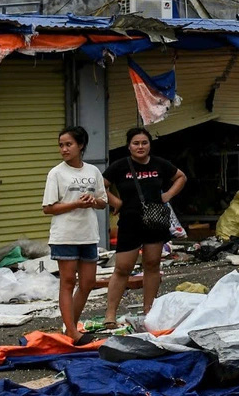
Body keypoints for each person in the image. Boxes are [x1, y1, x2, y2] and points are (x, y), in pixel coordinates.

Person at [102, 125, 185, 326]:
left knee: (152, 264)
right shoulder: (120, 166)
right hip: (130, 222)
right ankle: (110, 314)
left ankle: (149, 310)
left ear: (149, 145)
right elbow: (100, 186)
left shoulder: (159, 164)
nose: (140, 147)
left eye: (144, 143)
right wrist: (116, 203)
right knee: (123, 268)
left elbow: (181, 177)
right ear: (129, 146)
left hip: (155, 222)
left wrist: (168, 195)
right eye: (136, 143)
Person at [42, 125, 106, 341]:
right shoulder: (56, 173)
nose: (64, 149)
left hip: (88, 233)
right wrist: (75, 203)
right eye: (61, 145)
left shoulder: (93, 171)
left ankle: (70, 326)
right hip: (65, 235)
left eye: (68, 144)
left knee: (88, 282)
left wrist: (92, 201)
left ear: (81, 146)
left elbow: (103, 201)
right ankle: (72, 331)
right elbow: (48, 208)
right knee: (68, 281)